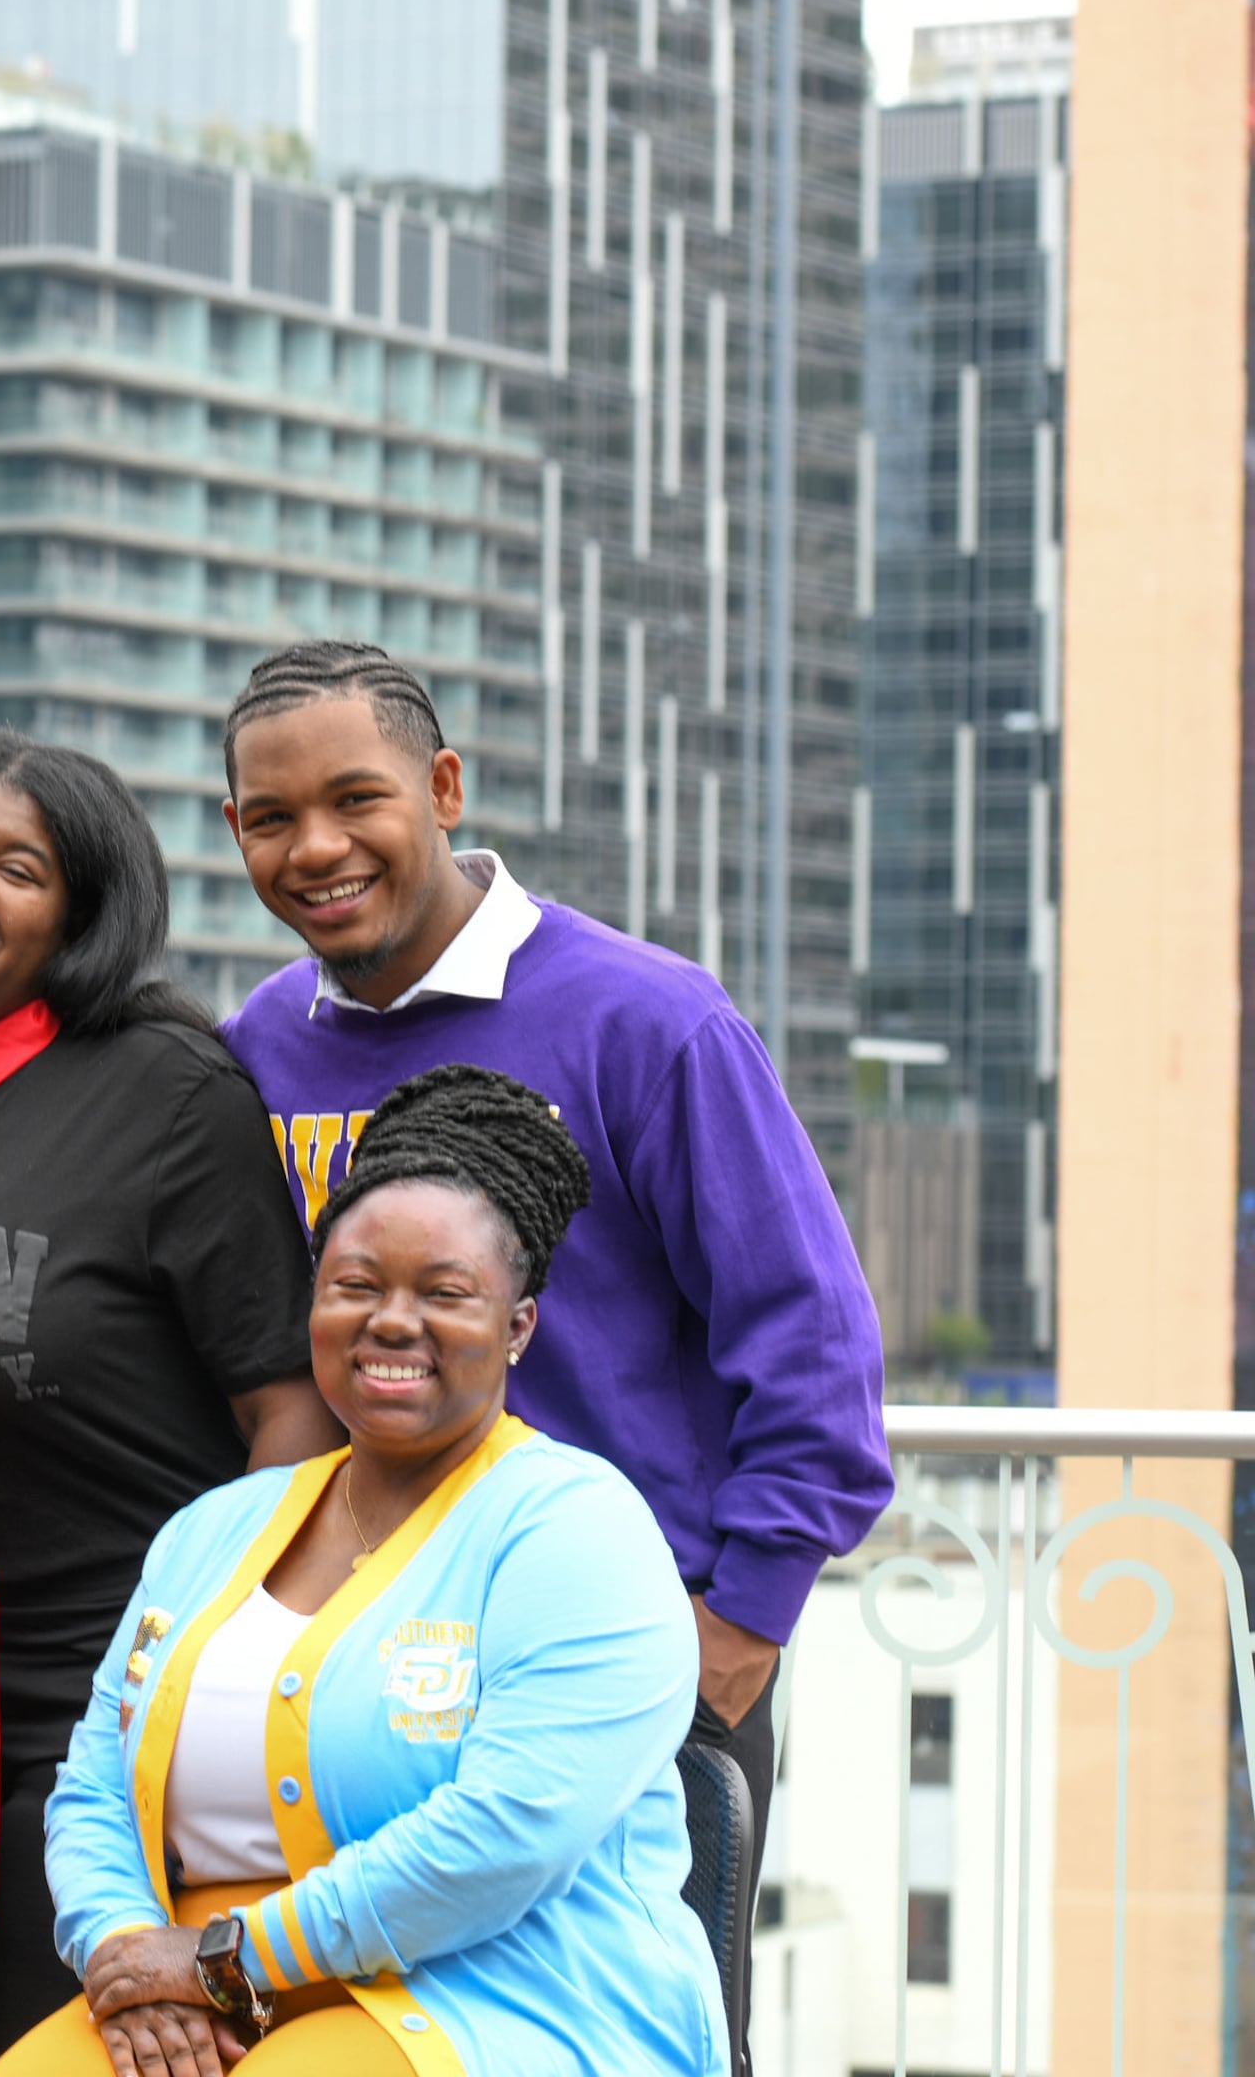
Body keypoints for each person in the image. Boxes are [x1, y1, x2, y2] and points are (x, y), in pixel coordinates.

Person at [213, 639, 888, 2057]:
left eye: (356, 800)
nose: (316, 848)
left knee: (627, 2034)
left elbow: (814, 1347)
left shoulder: (651, 1020)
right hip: (355, 1678)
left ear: (444, 787)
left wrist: (738, 1627)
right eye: (271, 819)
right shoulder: (258, 1049)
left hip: (625, 1662)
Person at [0, 1064, 722, 2077]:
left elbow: (502, 1838)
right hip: (190, 1991)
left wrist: (227, 1960)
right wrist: (122, 1951)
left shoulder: (578, 1533)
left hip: (493, 1997)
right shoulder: (214, 1529)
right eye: (355, 1286)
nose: (391, 1320)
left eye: (445, 1294)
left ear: (518, 1327)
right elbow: (95, 1789)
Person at [0, 729, 331, 2054]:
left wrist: (219, 1666)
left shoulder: (165, 1090)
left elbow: (289, 1412)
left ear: (80, 917)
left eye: (17, 867)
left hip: (94, 1710)